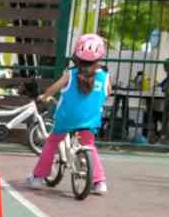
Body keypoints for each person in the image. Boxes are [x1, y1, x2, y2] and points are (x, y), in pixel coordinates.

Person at [26, 34, 109, 195]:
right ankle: (100, 182)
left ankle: (38, 178)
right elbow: (108, 92)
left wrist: (45, 96)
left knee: (52, 142)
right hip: (90, 120)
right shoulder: (105, 77)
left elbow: (54, 88)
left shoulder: (70, 74)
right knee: (90, 146)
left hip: (66, 119)